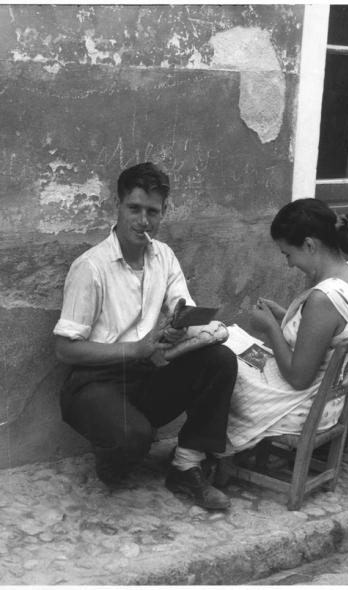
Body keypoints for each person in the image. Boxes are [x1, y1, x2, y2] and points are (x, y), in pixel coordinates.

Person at [53, 162, 237, 511]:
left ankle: (186, 466)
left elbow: (182, 307)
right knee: (132, 439)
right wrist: (135, 348)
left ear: (163, 213)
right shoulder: (91, 267)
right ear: (118, 208)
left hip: (148, 373)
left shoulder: (163, 256)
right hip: (95, 382)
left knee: (220, 361)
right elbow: (64, 349)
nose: (143, 221)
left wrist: (184, 326)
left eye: (153, 212)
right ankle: (115, 452)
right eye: (134, 209)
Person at [223, 198, 348, 452]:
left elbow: (298, 378)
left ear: (309, 245)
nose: (289, 264)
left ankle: (203, 450)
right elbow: (324, 335)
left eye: (288, 254)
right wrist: (284, 316)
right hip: (328, 399)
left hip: (307, 405)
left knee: (221, 362)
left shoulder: (324, 298)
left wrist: (271, 328)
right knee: (230, 346)